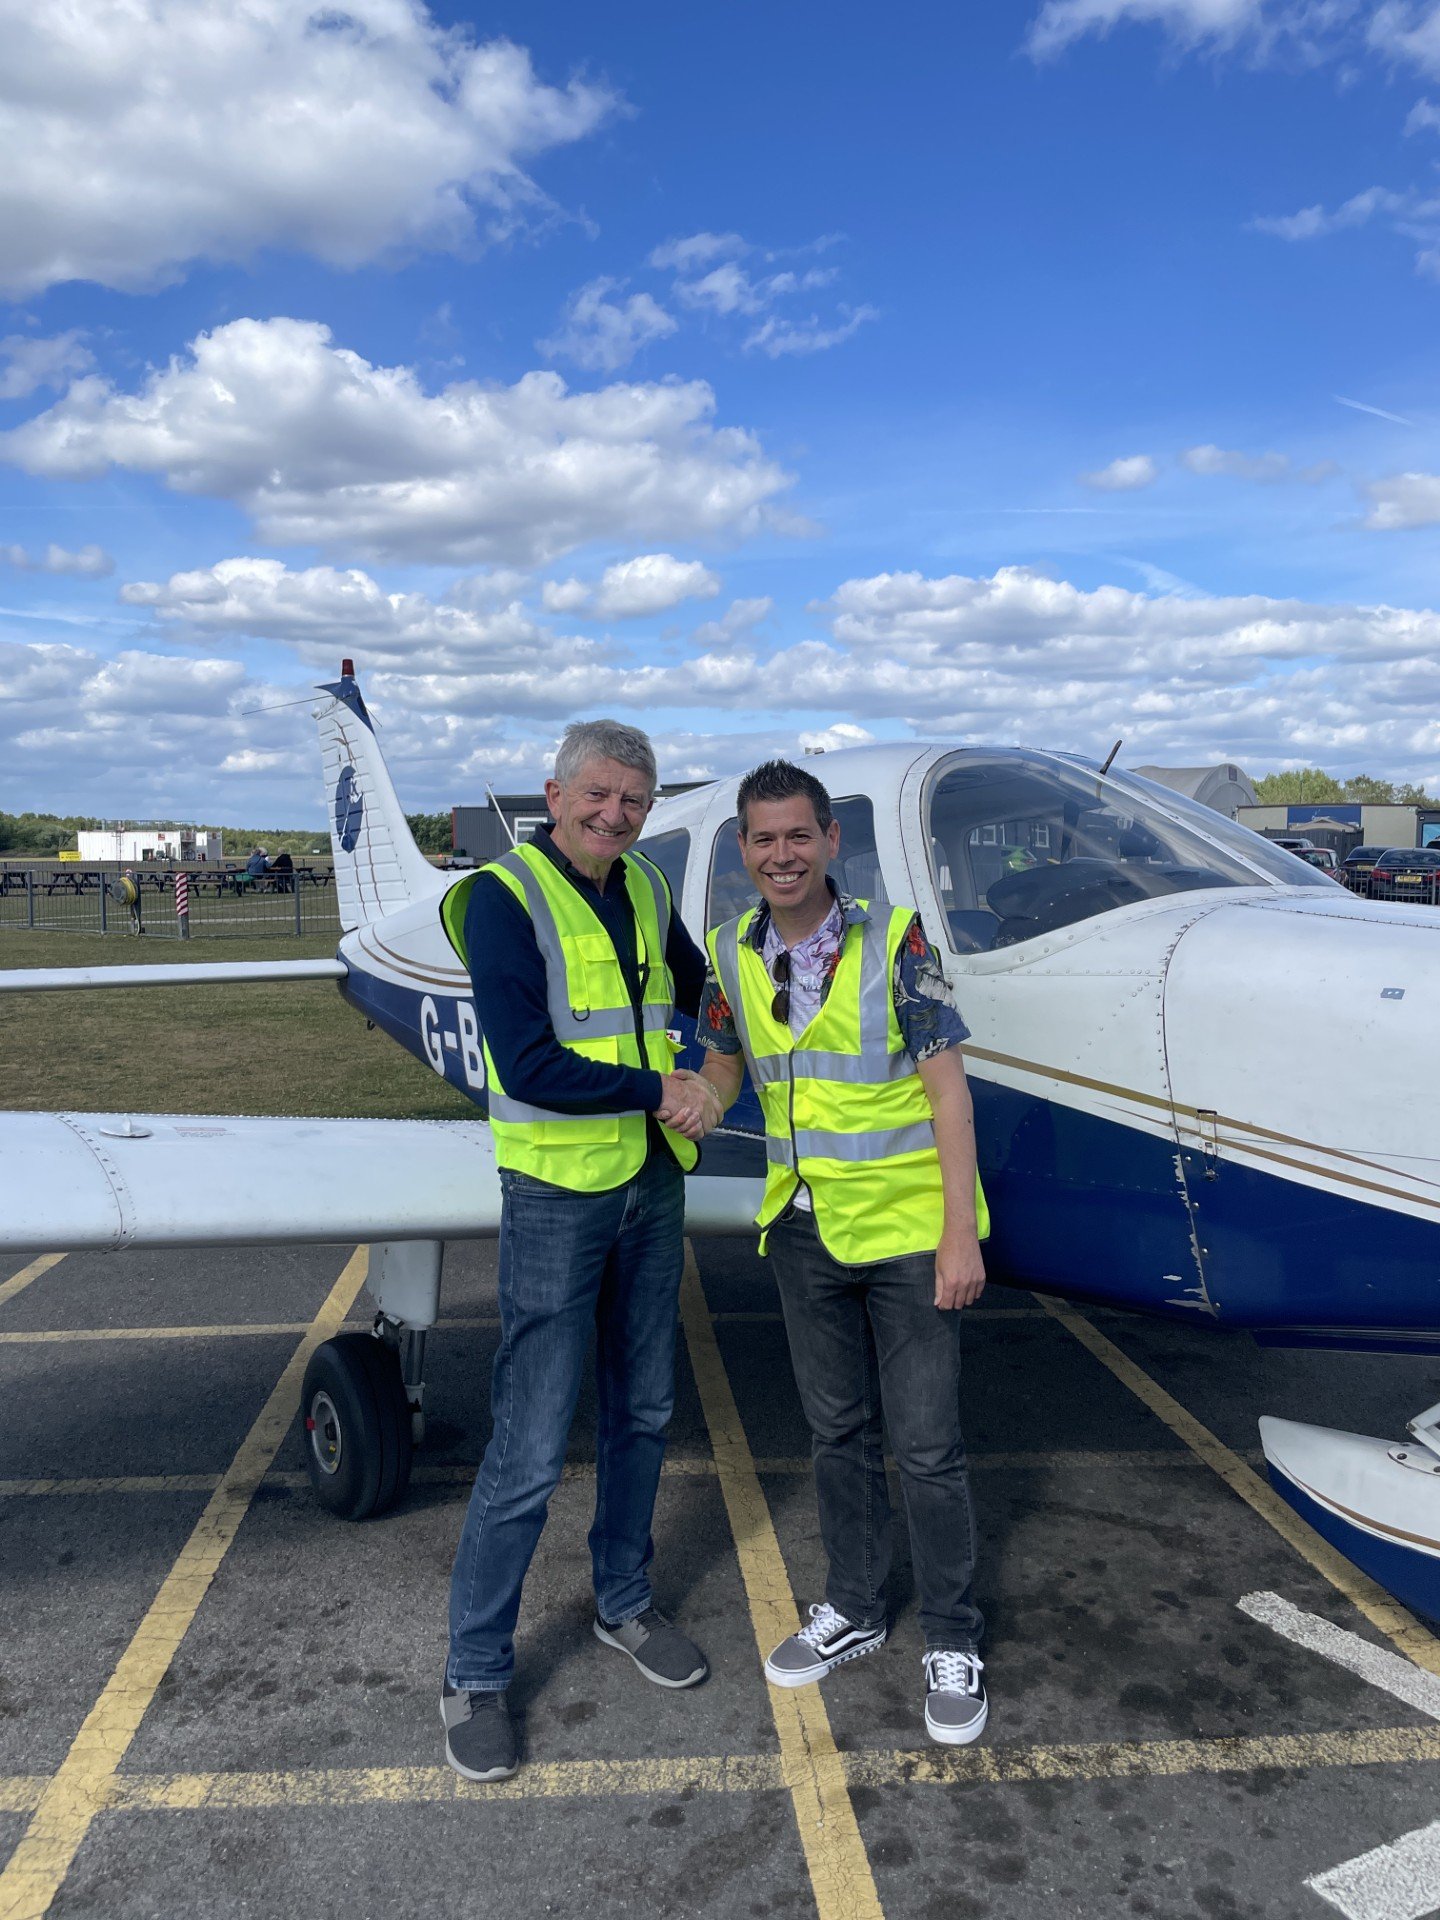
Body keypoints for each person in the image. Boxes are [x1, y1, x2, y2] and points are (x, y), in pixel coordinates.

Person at [437, 719, 722, 1783]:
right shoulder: (504, 900)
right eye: (598, 796)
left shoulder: (643, 885)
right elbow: (527, 1063)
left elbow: (693, 989)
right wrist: (666, 1088)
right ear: (553, 795)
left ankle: (624, 1605)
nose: (615, 815)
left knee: (645, 1409)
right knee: (530, 1439)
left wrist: (741, 1027)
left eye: (634, 803)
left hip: (648, 1183)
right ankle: (472, 1670)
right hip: (558, 1192)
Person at [696, 759, 992, 1746]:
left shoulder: (895, 943)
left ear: (830, 842)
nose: (781, 855)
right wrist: (682, 1102)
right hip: (803, 1229)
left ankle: (953, 1636)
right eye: (763, 839)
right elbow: (726, 1063)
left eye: (798, 836)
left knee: (930, 1449)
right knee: (837, 1440)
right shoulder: (730, 950)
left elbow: (949, 1092)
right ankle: (857, 1607)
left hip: (909, 1237)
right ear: (744, 851)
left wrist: (960, 1233)